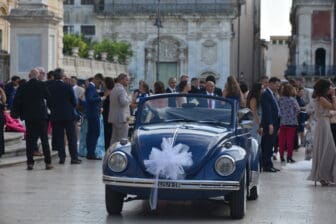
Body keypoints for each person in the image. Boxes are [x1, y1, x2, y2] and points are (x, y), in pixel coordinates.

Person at [11, 68, 53, 170]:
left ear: (30, 75)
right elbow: (49, 98)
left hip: (29, 116)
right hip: (41, 116)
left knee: (29, 140)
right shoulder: (42, 85)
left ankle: (30, 163)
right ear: (38, 75)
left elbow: (17, 101)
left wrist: (17, 113)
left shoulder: (23, 86)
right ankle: (48, 163)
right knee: (44, 139)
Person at [47, 68, 81, 165]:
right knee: (72, 137)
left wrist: (54, 109)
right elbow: (73, 101)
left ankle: (62, 158)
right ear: (62, 76)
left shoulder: (50, 87)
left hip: (56, 115)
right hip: (68, 115)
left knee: (59, 137)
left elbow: (49, 102)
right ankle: (74, 158)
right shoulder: (67, 86)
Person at [307, 79, 336, 186]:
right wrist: (333, 95)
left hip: (324, 123)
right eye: (329, 87)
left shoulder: (320, 98)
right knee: (329, 150)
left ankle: (324, 176)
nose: (331, 89)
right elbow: (334, 107)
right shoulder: (321, 98)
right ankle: (323, 175)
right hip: (323, 124)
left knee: (324, 149)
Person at [260, 77, 281, 172]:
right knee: (268, 144)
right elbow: (267, 111)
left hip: (275, 123)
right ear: (271, 84)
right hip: (270, 124)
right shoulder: (266, 94)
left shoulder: (272, 94)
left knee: (271, 144)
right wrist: (270, 124)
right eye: (277, 84)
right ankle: (266, 165)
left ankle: (269, 164)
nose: (278, 86)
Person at [85, 73, 105, 160]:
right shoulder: (90, 87)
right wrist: (101, 98)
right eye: (99, 82)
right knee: (94, 133)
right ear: (96, 79)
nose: (99, 85)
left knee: (91, 133)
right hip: (93, 114)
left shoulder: (92, 87)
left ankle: (90, 153)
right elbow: (89, 99)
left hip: (93, 113)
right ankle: (91, 153)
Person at [278, 84, 300, 163]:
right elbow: (298, 110)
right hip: (292, 122)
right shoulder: (293, 99)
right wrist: (294, 115)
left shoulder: (280, 99)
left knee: (281, 140)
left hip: (282, 122)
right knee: (290, 141)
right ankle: (289, 157)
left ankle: (281, 156)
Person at [108, 73, 131, 145]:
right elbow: (123, 102)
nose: (128, 82)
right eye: (126, 80)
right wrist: (130, 98)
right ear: (121, 80)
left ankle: (111, 153)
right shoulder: (121, 90)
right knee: (123, 139)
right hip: (122, 119)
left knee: (114, 139)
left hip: (114, 118)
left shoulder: (114, 89)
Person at [102, 77, 115, 151]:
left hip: (108, 114)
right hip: (106, 113)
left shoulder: (110, 92)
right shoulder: (106, 92)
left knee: (108, 132)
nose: (103, 84)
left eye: (104, 82)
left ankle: (108, 148)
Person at [0, 85, 6, 158]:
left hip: (1, 118)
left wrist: (1, 91)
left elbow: (4, 101)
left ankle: (1, 151)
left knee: (1, 135)